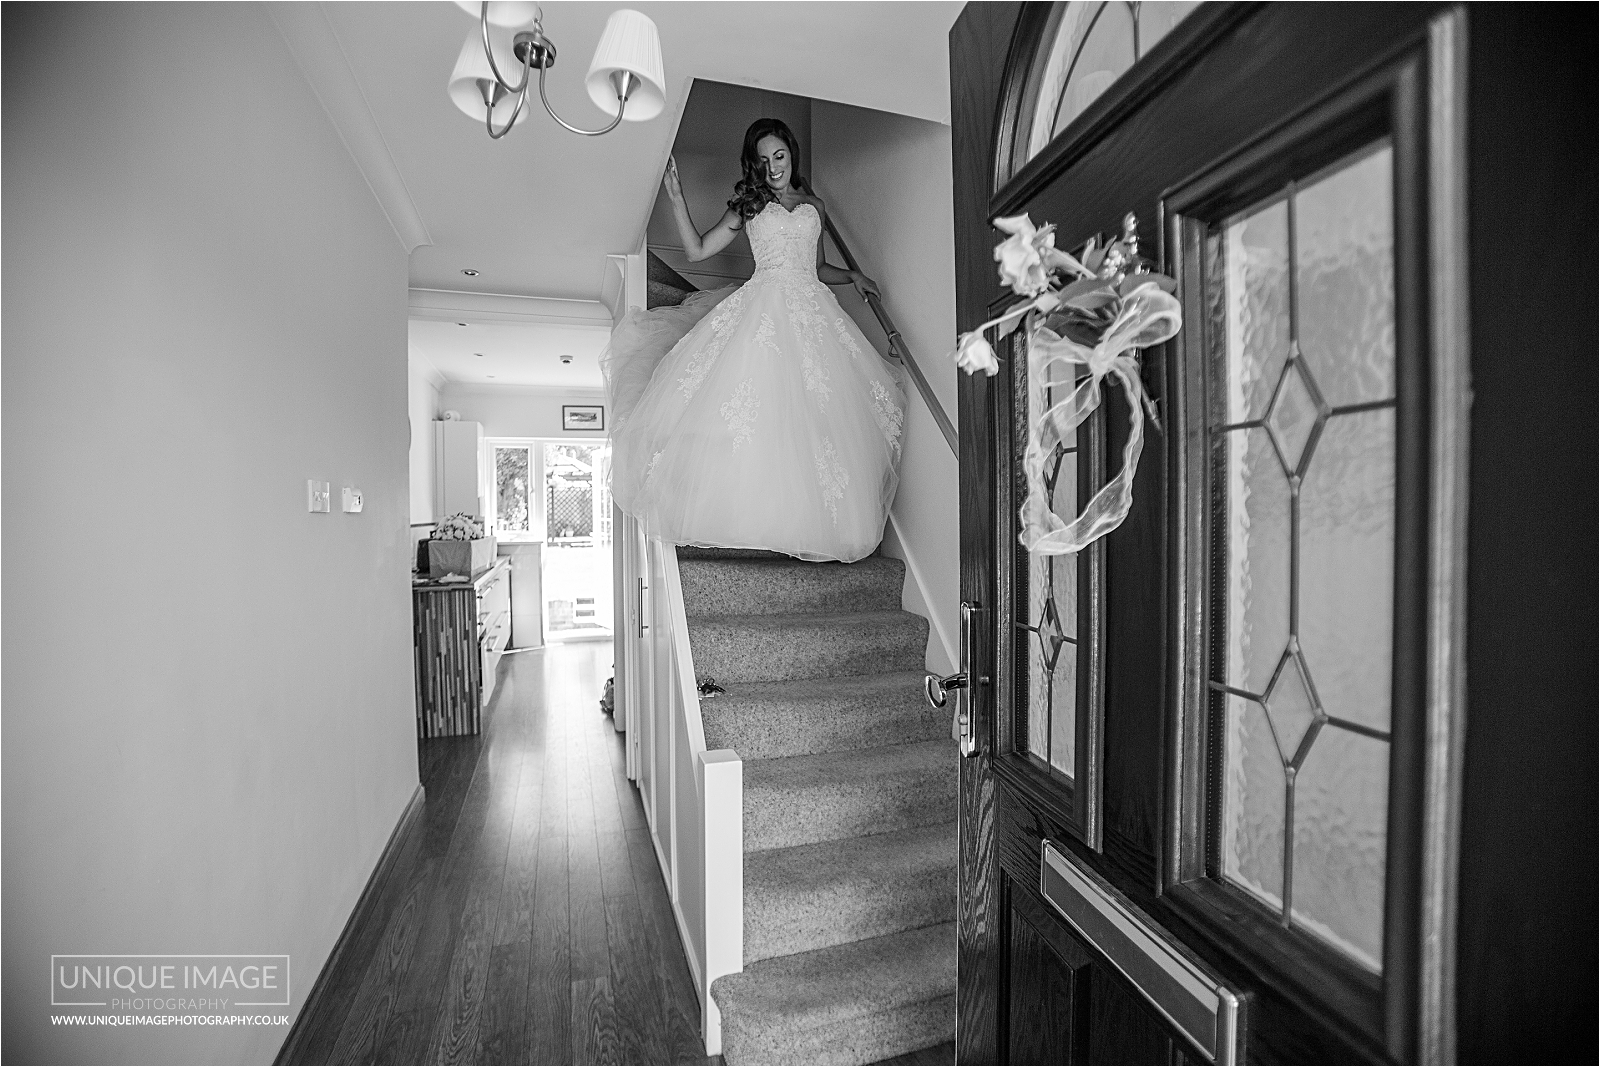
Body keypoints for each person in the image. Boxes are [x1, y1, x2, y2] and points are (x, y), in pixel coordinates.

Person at [603, 118, 906, 563]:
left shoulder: (814, 205)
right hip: (762, 305)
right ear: (755, 164)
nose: (773, 167)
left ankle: (813, 524)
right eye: (763, 160)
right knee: (754, 410)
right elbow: (697, 251)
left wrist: (853, 276)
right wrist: (676, 198)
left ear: (792, 154)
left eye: (779, 156)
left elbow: (817, 267)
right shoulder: (750, 204)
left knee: (816, 420)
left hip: (812, 309)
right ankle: (752, 518)